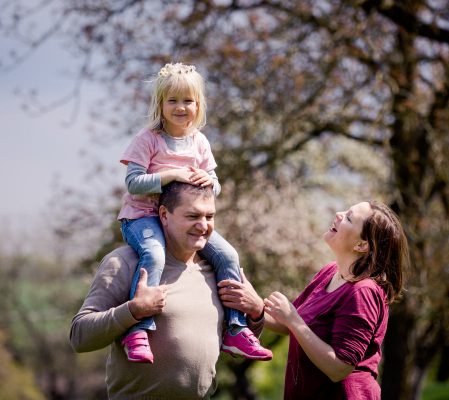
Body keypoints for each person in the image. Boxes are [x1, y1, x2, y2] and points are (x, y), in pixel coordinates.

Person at [117, 62, 271, 363]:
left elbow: (215, 186)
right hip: (143, 217)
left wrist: (208, 182)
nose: (180, 107)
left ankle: (236, 329)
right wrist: (169, 175)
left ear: (197, 104)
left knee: (228, 256)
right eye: (172, 100)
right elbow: (133, 183)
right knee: (155, 255)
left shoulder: (199, 142)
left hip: (184, 221)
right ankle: (138, 328)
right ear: (160, 104)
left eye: (187, 100)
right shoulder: (148, 139)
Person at [70, 182, 267, 399]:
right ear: (164, 215)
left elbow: (229, 346)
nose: (203, 226)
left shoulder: (219, 271)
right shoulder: (125, 263)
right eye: (192, 216)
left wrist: (257, 314)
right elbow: (80, 337)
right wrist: (132, 311)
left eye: (209, 217)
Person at [219, 200, 409, 399]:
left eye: (349, 218)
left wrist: (294, 320)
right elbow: (291, 326)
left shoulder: (364, 292)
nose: (338, 213)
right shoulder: (330, 272)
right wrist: (254, 305)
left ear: (362, 245)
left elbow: (339, 368)